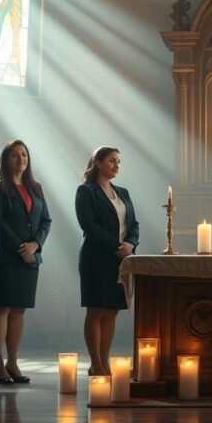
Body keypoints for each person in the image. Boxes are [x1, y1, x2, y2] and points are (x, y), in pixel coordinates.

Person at [0, 140, 52, 385]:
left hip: (31, 257)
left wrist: (35, 245)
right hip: (5, 256)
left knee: (20, 309)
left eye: (24, 154)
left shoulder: (36, 187)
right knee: (2, 308)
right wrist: (21, 247)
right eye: (15, 155)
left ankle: (12, 362)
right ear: (6, 159)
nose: (21, 158)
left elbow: (45, 220)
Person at [75, 146, 140, 376]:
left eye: (119, 161)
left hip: (120, 259)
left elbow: (133, 224)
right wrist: (118, 246)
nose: (116, 165)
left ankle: (103, 362)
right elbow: (89, 225)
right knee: (96, 311)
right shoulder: (86, 191)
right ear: (99, 162)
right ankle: (96, 364)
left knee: (112, 312)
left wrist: (130, 244)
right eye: (112, 160)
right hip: (96, 258)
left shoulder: (123, 192)